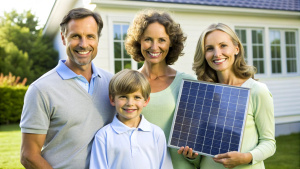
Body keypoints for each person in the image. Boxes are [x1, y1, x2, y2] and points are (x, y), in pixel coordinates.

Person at [20, 8, 115, 169]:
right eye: (75, 36)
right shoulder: (41, 90)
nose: (83, 44)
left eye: (90, 36)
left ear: (97, 39)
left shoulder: (112, 84)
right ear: (64, 38)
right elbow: (29, 155)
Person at [178, 23, 276, 169]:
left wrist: (246, 157)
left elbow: (269, 143)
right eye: (209, 48)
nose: (217, 54)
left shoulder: (256, 91)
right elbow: (203, 149)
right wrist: (192, 157)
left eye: (223, 45)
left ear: (236, 49)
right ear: (204, 55)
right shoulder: (204, 93)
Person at [125, 9, 198, 168]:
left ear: (171, 43)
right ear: (138, 41)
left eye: (162, 40)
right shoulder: (127, 83)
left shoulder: (187, 82)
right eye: (148, 39)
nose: (154, 46)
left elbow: (197, 138)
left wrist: (193, 156)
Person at [89, 69, 173, 169]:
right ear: (112, 99)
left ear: (146, 101)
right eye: (123, 97)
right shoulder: (104, 136)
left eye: (137, 97)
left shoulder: (156, 134)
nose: (130, 103)